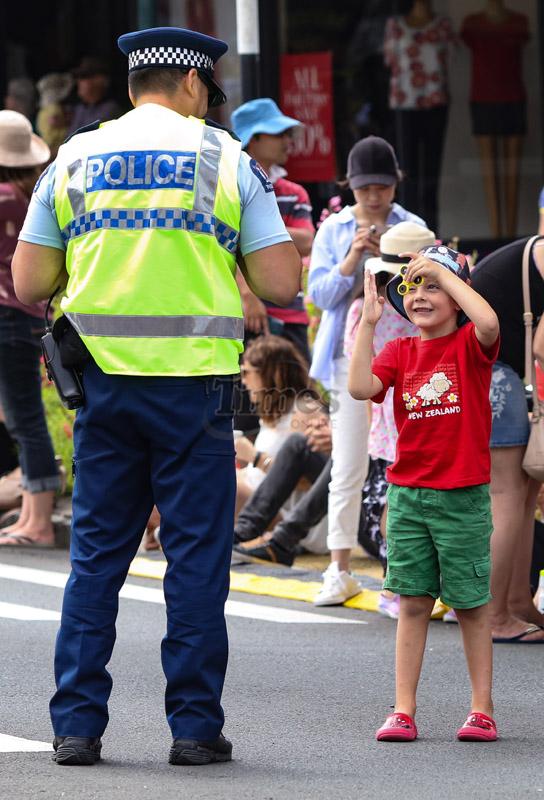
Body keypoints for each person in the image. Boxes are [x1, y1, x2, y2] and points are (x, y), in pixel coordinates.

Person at [13, 26, 301, 767]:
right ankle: (194, 731)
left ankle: (77, 728)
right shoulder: (224, 158)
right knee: (196, 563)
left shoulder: (72, 156)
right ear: (196, 85)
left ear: (136, 83)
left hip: (102, 390)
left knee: (96, 562)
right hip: (195, 393)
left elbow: (29, 283)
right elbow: (279, 285)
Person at [349, 244, 500, 742]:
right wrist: (369, 323)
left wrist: (442, 271)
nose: (419, 295)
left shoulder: (470, 346)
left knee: (471, 605)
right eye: (411, 288)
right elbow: (359, 387)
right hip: (409, 495)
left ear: (458, 295)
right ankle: (404, 709)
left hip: (462, 496)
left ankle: (482, 708)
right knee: (412, 602)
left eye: (433, 285)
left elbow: (490, 322)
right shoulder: (399, 351)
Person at [308, 135, 426, 606]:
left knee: (406, 462)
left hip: (408, 357)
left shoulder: (412, 227)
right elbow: (318, 295)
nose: (374, 197)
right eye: (364, 188)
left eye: (382, 186)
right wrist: (354, 258)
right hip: (349, 358)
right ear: (350, 187)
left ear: (395, 183)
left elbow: (433, 291)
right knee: (351, 463)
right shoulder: (335, 229)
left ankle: (403, 574)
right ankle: (339, 568)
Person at [471, 237, 544, 643]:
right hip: (493, 370)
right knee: (508, 494)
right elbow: (542, 346)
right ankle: (495, 614)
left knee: (526, 489)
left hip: (496, 369)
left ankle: (518, 603)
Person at [0, 110, 61, 548]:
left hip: (5, 315)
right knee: (25, 416)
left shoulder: (3, 196)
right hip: (28, 313)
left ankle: (37, 519)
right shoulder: (31, 194)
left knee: (25, 419)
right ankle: (30, 513)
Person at [230, 98, 314, 364]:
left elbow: (307, 240)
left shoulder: (293, 192)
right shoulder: (228, 186)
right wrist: (246, 295)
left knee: (298, 402)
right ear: (253, 139)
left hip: (291, 316)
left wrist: (249, 231)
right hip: (242, 316)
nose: (288, 141)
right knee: (246, 403)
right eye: (279, 134)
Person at [234, 336, 322, 516]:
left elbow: (306, 482)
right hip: (260, 502)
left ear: (272, 373)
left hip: (281, 512)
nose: (243, 381)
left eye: (246, 372)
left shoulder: (305, 410)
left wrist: (255, 457)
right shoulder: (275, 411)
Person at [67, 57, 119, 136]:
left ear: (101, 80)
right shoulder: (80, 108)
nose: (78, 81)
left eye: (84, 77)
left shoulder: (110, 109)